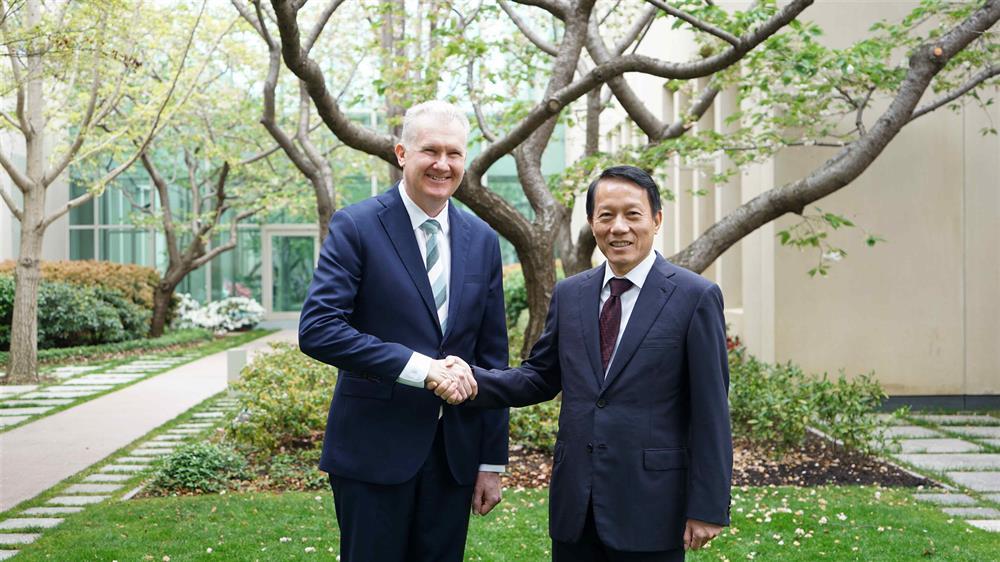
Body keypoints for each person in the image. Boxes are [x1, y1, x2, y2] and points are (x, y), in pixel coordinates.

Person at [434, 165, 733, 561]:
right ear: (592, 222)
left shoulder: (695, 297)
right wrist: (470, 378)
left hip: (653, 506)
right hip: (576, 504)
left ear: (656, 220)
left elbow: (711, 411)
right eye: (606, 216)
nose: (619, 227)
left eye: (633, 214)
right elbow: (539, 377)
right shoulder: (571, 293)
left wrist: (708, 506)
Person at [298, 100, 509, 562]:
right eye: (429, 150)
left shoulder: (484, 239)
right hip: (372, 451)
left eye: (453, 153)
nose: (442, 164)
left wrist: (491, 462)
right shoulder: (356, 226)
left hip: (453, 457)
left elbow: (492, 356)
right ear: (401, 154)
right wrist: (420, 369)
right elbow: (318, 328)